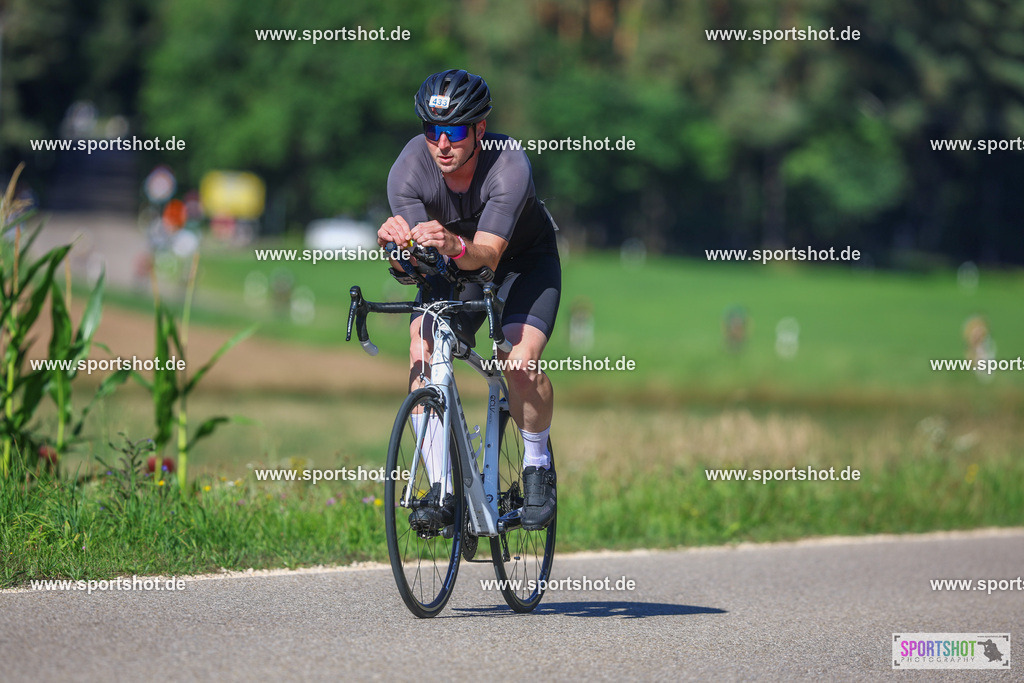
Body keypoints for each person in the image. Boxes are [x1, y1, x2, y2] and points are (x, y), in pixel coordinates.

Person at [377, 69, 560, 532]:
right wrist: (396, 251)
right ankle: (441, 487)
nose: (442, 144)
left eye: (455, 131)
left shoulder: (508, 162)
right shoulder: (407, 172)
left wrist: (452, 244)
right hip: (452, 265)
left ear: (480, 129)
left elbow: (487, 257)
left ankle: (537, 464)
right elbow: (414, 268)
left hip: (521, 263)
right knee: (422, 340)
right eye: (432, 130)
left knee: (518, 362)